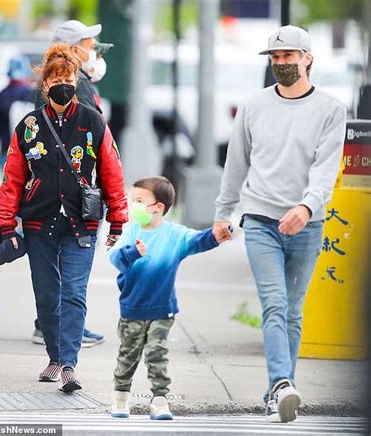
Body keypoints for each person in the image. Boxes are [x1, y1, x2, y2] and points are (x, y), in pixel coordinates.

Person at [213, 25, 346, 423]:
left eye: (288, 56)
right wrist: (224, 213)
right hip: (260, 220)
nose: (281, 64)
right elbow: (236, 164)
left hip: (307, 223)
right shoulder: (254, 105)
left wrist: (306, 207)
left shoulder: (330, 109)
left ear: (307, 58)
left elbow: (325, 170)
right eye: (275, 58)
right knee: (274, 305)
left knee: (292, 311)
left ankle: (278, 389)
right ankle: (281, 386)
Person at [0, 43, 127, 393]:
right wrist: (6, 224)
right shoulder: (29, 125)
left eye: (68, 77)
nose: (62, 84)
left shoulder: (92, 120)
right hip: (38, 222)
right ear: (45, 83)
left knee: (73, 293)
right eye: (56, 78)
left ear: (75, 80)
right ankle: (54, 357)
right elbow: (13, 178)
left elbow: (112, 171)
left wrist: (118, 218)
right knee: (47, 295)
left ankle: (69, 364)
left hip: (81, 223)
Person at [108, 176, 224, 420]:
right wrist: (131, 253)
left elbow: (197, 241)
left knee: (157, 354)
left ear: (158, 206)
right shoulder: (131, 233)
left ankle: (160, 401)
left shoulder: (174, 235)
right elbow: (116, 259)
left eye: (139, 200)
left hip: (163, 309)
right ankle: (120, 398)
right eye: (133, 200)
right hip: (132, 308)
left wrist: (216, 235)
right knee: (128, 356)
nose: (134, 206)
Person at [31, 21, 114, 348]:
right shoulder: (71, 87)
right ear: (73, 48)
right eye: (89, 44)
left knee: (62, 270)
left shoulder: (73, 83)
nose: (93, 52)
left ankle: (59, 326)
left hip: (61, 193)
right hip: (64, 194)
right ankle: (62, 330)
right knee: (65, 270)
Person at [0, 54, 34, 167]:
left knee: (8, 183)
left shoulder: (0, 96)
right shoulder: (35, 94)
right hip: (34, 150)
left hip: (8, 151)